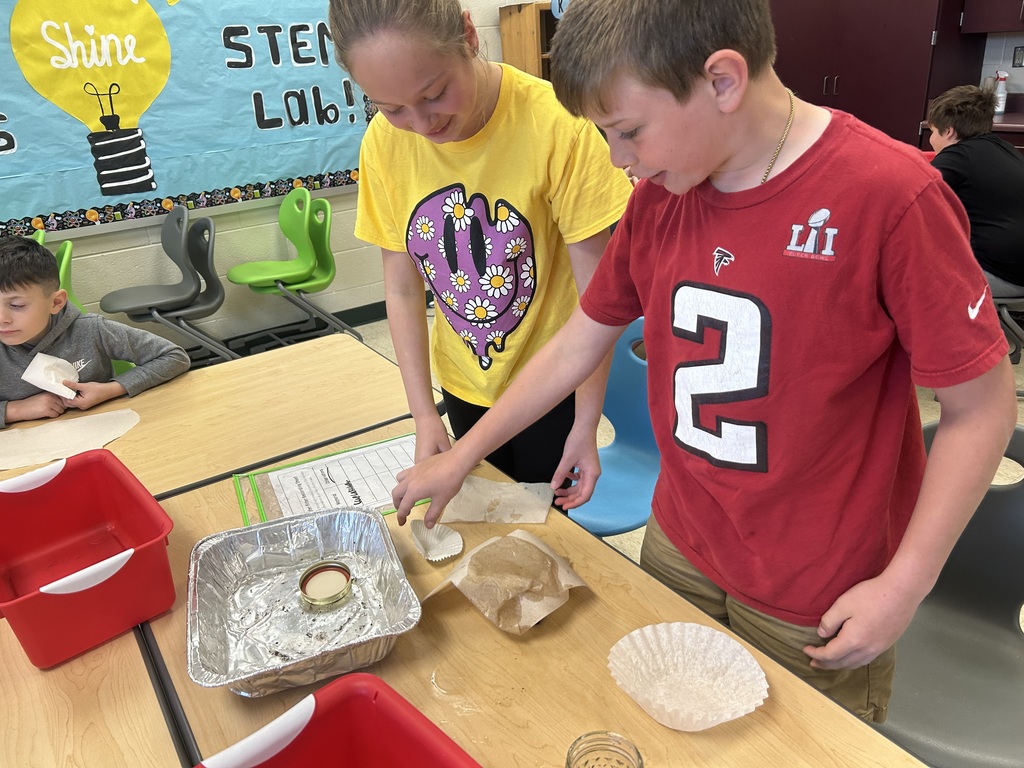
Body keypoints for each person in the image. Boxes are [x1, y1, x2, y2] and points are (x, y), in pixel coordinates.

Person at [391, 0, 1019, 723]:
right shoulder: (662, 197)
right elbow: (578, 339)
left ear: (722, 80)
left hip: (816, 584)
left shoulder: (893, 197)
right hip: (682, 541)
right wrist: (463, 453)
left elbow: (982, 410)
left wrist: (905, 584)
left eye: (628, 132)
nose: (618, 159)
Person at [328, 0, 634, 509]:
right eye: (391, 107)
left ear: (469, 35)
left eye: (435, 94)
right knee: (484, 519)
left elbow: (595, 300)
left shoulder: (559, 125)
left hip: (552, 387)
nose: (422, 124)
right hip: (465, 379)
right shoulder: (384, 144)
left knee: (545, 533)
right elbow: (403, 288)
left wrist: (585, 422)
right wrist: (424, 413)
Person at [0, 235, 191, 428]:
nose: (2, 319)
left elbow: (173, 356)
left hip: (104, 432)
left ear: (56, 302)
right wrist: (15, 410)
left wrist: (111, 389)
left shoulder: (91, 329)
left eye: (16, 305)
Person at [927, 84, 1024, 297]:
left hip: (1003, 275)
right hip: (1017, 267)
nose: (931, 139)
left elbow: (909, 196)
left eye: (932, 131)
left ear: (949, 131)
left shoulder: (956, 157)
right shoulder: (1003, 148)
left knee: (904, 270)